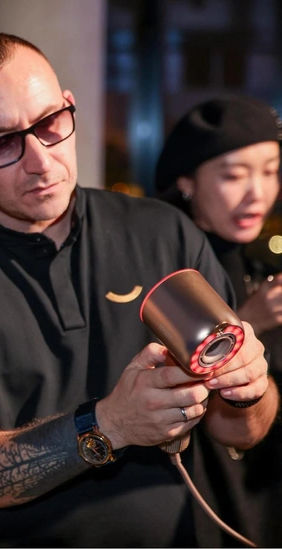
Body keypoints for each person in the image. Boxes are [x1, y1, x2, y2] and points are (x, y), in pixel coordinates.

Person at [0, 31, 278, 547]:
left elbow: (240, 430)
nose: (41, 160)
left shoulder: (163, 233)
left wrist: (250, 390)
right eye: (2, 144)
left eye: (49, 124)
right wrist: (108, 425)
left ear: (69, 106)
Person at [155, 95, 282, 545]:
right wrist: (250, 321)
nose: (257, 193)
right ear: (186, 181)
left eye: (270, 171)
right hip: (199, 496)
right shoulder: (168, 273)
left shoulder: (259, 264)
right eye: (233, 175)